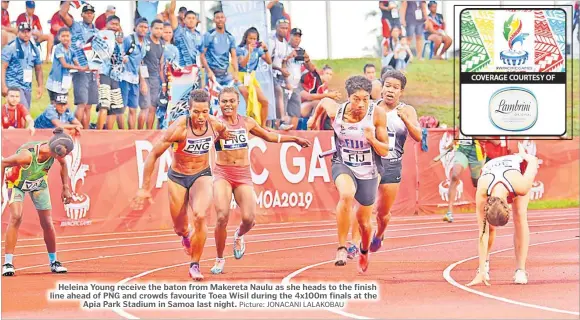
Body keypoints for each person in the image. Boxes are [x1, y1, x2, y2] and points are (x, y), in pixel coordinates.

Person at [131, 90, 231, 281]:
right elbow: (152, 155)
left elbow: (224, 135)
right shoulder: (178, 129)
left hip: (202, 175)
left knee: (200, 215)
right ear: (189, 109)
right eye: (196, 112)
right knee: (180, 228)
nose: (200, 117)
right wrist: (144, 187)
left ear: (210, 110)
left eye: (204, 112)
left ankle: (195, 264)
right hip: (178, 177)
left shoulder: (215, 124)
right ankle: (186, 236)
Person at [210, 87, 311, 275]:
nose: (228, 105)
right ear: (219, 102)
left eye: (232, 101)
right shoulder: (215, 123)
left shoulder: (247, 122)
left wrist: (294, 139)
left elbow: (269, 136)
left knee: (249, 219)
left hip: (242, 174)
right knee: (222, 215)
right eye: (224, 101)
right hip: (222, 173)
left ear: (238, 103)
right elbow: (202, 132)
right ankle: (219, 258)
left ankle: (239, 235)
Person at [309, 76, 389, 273]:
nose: (361, 104)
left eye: (365, 99)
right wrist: (313, 119)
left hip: (369, 168)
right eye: (356, 99)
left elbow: (385, 150)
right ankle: (342, 248)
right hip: (343, 162)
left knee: (364, 222)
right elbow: (323, 102)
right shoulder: (336, 111)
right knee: (346, 194)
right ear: (348, 97)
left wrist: (372, 140)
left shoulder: (377, 114)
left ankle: (363, 250)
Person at [1, 127, 76, 276]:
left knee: (47, 222)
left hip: (38, 183)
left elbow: (63, 164)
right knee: (16, 216)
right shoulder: (26, 156)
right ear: (54, 151)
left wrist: (66, 187)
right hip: (17, 183)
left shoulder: (57, 150)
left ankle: (54, 262)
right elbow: (3, 163)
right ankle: (8, 263)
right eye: (60, 155)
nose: (62, 157)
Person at [466, 144, 539, 286]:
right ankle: (485, 264)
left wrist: (525, 155)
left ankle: (520, 270)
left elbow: (533, 161)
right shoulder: (482, 190)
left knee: (520, 215)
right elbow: (482, 233)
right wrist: (481, 270)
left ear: (508, 206)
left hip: (518, 168)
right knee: (489, 228)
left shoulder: (521, 185)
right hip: (490, 170)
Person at [368, 70, 421, 253]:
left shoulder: (407, 110)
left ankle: (380, 234)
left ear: (401, 92)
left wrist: (405, 120)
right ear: (382, 88)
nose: (390, 90)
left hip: (392, 165)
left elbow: (418, 136)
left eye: (395, 87)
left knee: (382, 213)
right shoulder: (371, 108)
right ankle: (354, 241)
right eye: (388, 86)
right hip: (371, 162)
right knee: (364, 205)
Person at [60, 2, 98, 130]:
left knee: (89, 106)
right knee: (81, 103)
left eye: (91, 13)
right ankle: (76, 129)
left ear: (93, 15)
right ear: (82, 14)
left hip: (93, 70)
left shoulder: (97, 32)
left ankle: (86, 133)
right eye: (86, 12)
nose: (89, 15)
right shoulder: (76, 26)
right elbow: (62, 14)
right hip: (80, 70)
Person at [1, 22, 43, 110]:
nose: (26, 34)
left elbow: (38, 69)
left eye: (28, 31)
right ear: (18, 32)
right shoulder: (11, 47)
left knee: (23, 114)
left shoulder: (34, 48)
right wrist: (3, 86)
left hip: (27, 85)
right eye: (23, 32)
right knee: (24, 110)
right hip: (13, 84)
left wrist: (40, 86)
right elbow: (3, 67)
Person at [236, 27, 272, 126]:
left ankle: (263, 126)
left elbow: (269, 61)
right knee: (248, 101)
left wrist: (266, 49)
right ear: (246, 38)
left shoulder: (258, 50)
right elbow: (242, 64)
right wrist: (249, 52)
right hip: (241, 77)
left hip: (251, 77)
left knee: (264, 101)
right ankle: (246, 124)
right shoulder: (240, 49)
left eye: (254, 39)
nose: (252, 41)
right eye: (250, 38)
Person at [46, 27, 87, 104]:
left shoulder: (72, 50)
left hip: (65, 82)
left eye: (67, 36)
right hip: (55, 82)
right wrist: (78, 67)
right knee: (56, 105)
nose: (65, 38)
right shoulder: (58, 48)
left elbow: (76, 64)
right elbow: (64, 64)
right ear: (59, 38)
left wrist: (85, 67)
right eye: (63, 36)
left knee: (64, 105)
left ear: (70, 36)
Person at [138, 19, 165, 130]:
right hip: (145, 77)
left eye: (161, 29)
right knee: (145, 107)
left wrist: (163, 83)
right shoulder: (145, 41)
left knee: (153, 108)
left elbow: (161, 65)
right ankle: (138, 134)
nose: (159, 31)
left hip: (155, 79)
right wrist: (143, 81)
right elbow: (140, 61)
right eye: (156, 28)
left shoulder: (162, 44)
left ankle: (149, 134)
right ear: (151, 29)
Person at [200, 11, 239, 88]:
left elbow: (234, 57)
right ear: (214, 20)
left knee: (242, 90)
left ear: (225, 19)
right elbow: (202, 56)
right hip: (211, 73)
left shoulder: (230, 37)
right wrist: (209, 71)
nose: (220, 19)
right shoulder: (209, 35)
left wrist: (236, 73)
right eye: (217, 18)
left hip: (225, 74)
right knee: (206, 96)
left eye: (222, 17)